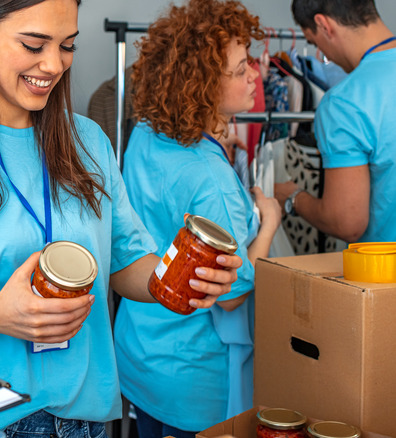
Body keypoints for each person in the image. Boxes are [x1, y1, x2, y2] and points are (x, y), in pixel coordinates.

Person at [0, 0, 243, 436]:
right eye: (34, 44)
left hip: (86, 420)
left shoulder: (89, 143)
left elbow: (126, 263)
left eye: (68, 46)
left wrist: (186, 278)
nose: (54, 64)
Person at [114, 0, 282, 436]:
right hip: (194, 379)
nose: (255, 75)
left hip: (140, 356)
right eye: (241, 67)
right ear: (204, 84)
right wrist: (268, 222)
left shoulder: (147, 133)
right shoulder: (211, 177)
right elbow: (229, 294)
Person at [274, 0, 396, 243]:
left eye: (313, 42)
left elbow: (346, 222)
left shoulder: (344, 103)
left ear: (323, 25)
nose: (324, 55)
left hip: (384, 274)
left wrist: (293, 197)